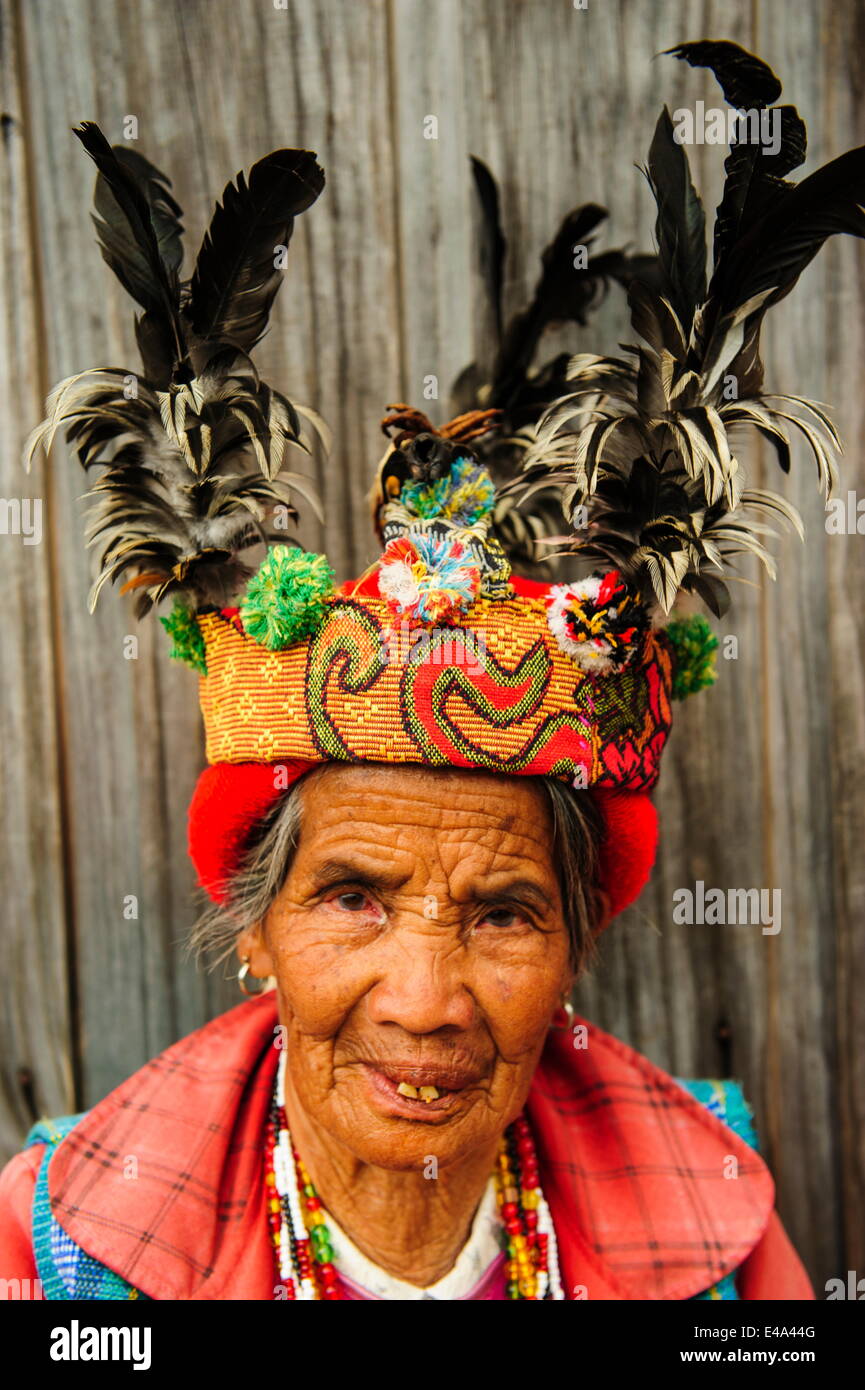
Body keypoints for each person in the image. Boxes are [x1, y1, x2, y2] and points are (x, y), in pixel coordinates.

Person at [3, 37, 861, 1299]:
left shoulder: (715, 1219)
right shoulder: (59, 1247)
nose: (426, 1001)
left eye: (506, 912)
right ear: (255, 931)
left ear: (574, 944)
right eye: (351, 894)